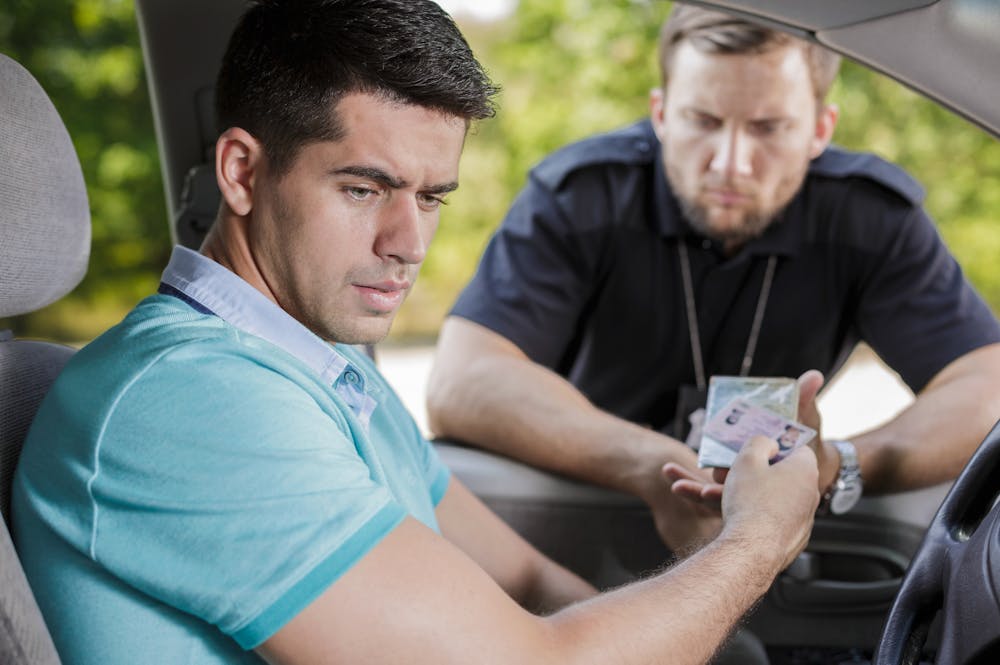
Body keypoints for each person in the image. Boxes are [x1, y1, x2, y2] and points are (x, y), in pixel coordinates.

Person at [11, 1, 821, 663]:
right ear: (242, 173)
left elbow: (528, 575)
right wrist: (757, 541)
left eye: (432, 197)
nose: (409, 243)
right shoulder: (188, 397)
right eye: (365, 188)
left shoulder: (317, 364)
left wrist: (705, 589)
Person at [426, 5, 1000, 551]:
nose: (730, 162)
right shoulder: (582, 196)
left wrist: (839, 464)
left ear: (821, 129)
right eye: (703, 121)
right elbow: (464, 381)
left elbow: (986, 383)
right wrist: (652, 464)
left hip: (778, 537)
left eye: (768, 127)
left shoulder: (870, 217)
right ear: (660, 115)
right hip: (588, 514)